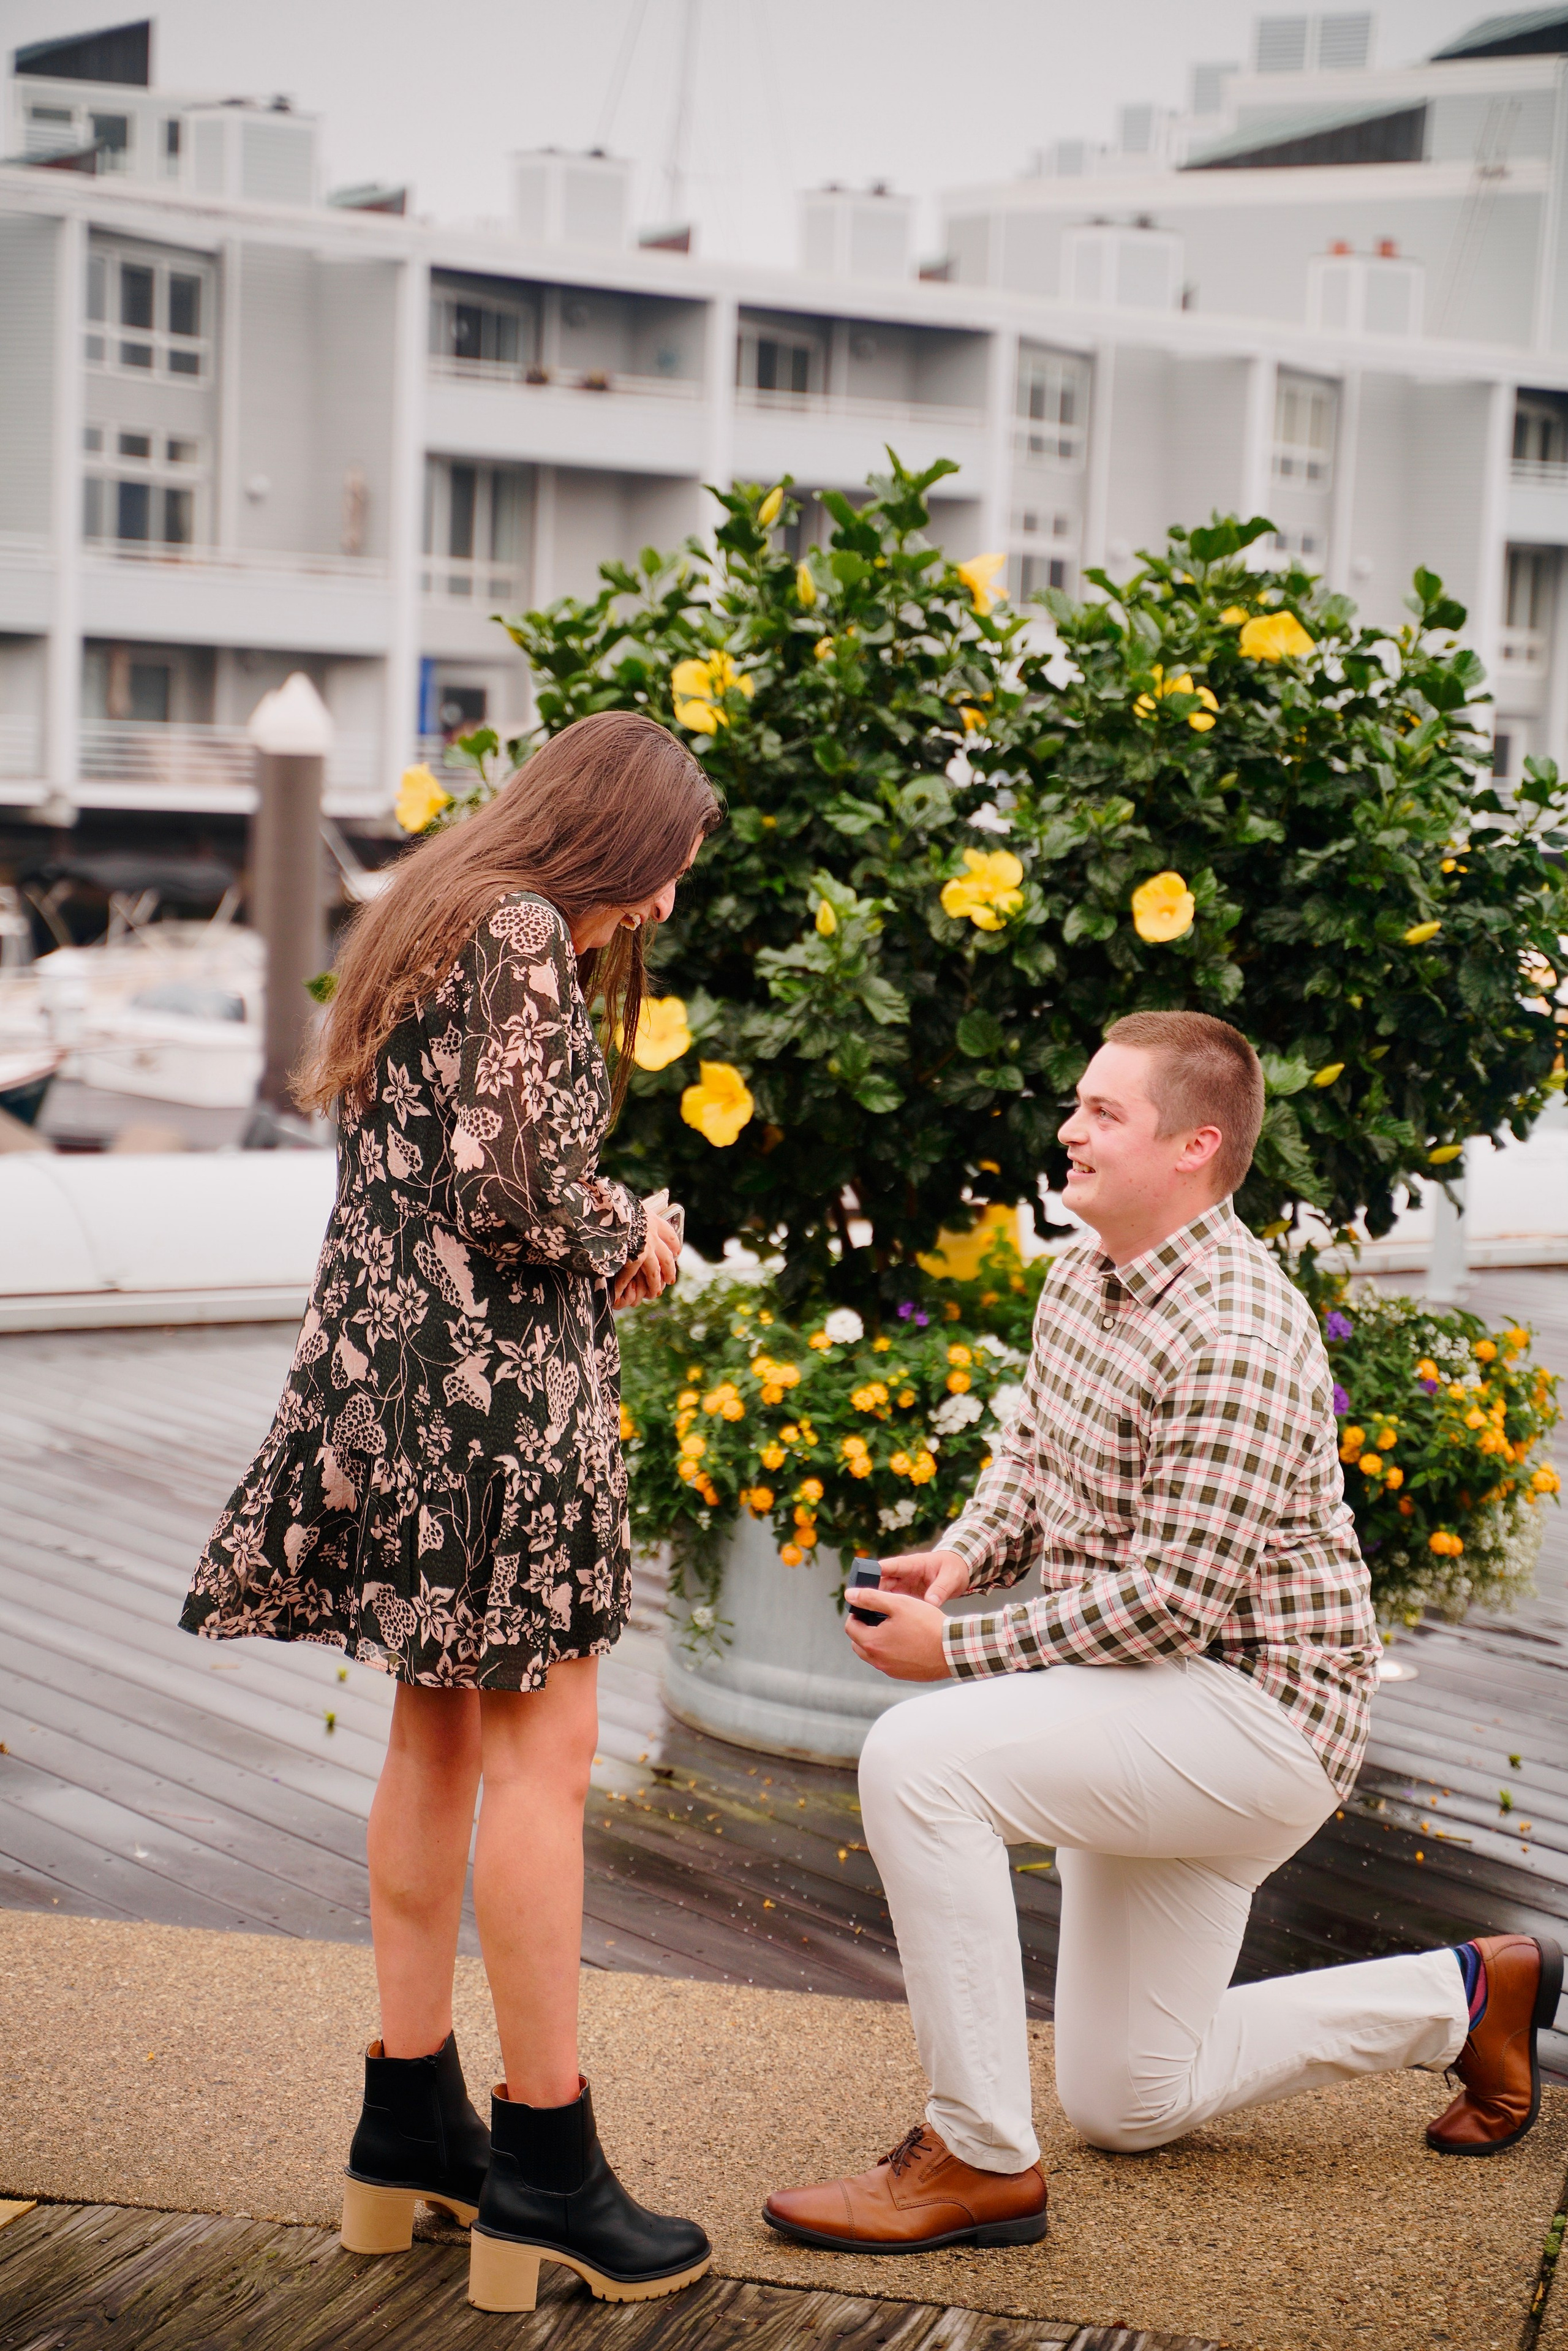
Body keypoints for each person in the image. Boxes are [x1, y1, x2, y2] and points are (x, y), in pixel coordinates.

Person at [764, 1010, 1561, 2255]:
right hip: (1135, 1701)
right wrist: (962, 1557)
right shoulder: (1078, 1272)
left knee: (921, 1755)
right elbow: (1030, 1456)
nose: (1068, 1130)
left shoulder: (1235, 1330)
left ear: (1194, 1146)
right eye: (1076, 1103)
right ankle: (1461, 1996)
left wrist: (956, 1648)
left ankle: (973, 2157)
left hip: (1251, 1716)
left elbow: (1171, 1599)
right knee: (1130, 2097)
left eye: (1102, 1113)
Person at [181, 710, 721, 2314]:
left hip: (395, 1394)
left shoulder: (431, 906)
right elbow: (520, 1194)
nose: (675, 899)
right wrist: (638, 1223)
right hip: (494, 1411)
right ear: (623, 834)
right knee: (543, 1763)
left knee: (430, 1742)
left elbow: (432, 1178)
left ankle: (407, 2121)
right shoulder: (529, 929)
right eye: (677, 859)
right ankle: (549, 2159)